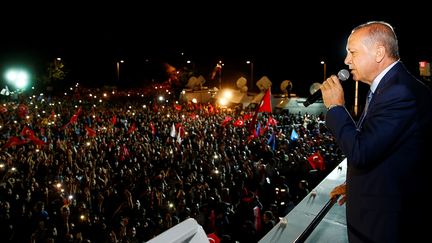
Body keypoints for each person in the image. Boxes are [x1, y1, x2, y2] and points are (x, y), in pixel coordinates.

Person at [321, 21, 432, 242]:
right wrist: (356, 186)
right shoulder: (390, 87)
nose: (346, 61)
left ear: (379, 52)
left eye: (352, 52)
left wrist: (335, 108)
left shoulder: (400, 92)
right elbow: (393, 154)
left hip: (386, 229)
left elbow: (361, 151)